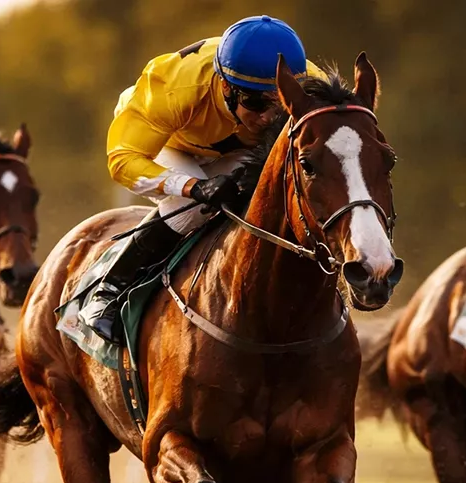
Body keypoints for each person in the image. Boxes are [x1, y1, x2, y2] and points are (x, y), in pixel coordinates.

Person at [79, 15, 324, 343]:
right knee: (197, 206)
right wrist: (195, 187)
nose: (268, 117)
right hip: (167, 145)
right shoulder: (176, 87)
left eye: (279, 104)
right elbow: (123, 161)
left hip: (238, 150)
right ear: (226, 86)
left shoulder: (311, 84)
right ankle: (109, 291)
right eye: (254, 102)